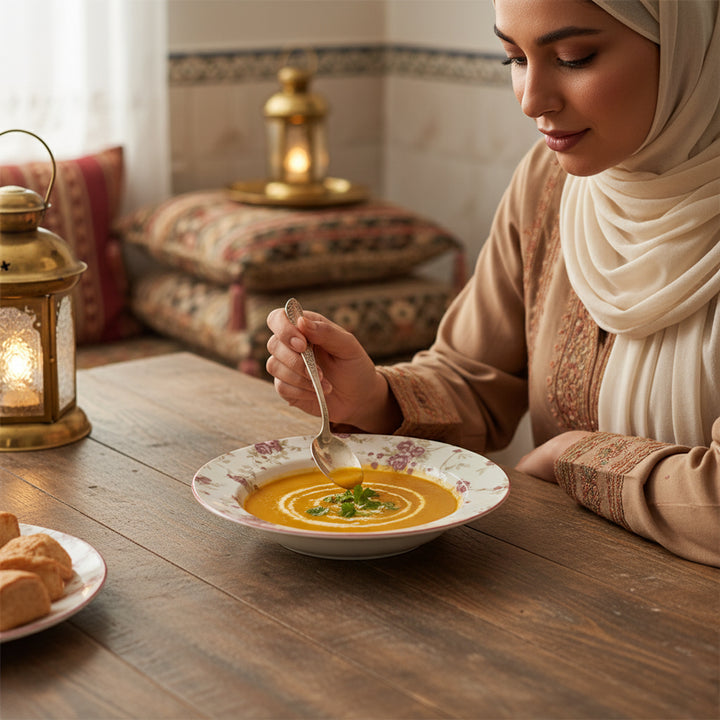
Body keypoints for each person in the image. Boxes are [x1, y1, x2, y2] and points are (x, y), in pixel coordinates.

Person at [266, 0, 720, 567]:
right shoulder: (549, 184)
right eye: (514, 58)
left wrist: (578, 457)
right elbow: (473, 377)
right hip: (567, 588)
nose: (532, 101)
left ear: (690, 43)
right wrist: (372, 395)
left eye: (574, 58)